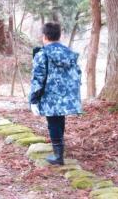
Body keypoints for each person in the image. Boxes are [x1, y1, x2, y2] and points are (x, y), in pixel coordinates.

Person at [29, 22, 82, 165]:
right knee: (59, 120)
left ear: (44, 36)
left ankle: (58, 156)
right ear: (59, 36)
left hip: (51, 97)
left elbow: (38, 79)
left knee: (53, 123)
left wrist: (33, 100)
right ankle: (59, 151)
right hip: (67, 96)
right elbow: (77, 74)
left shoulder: (43, 54)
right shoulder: (69, 53)